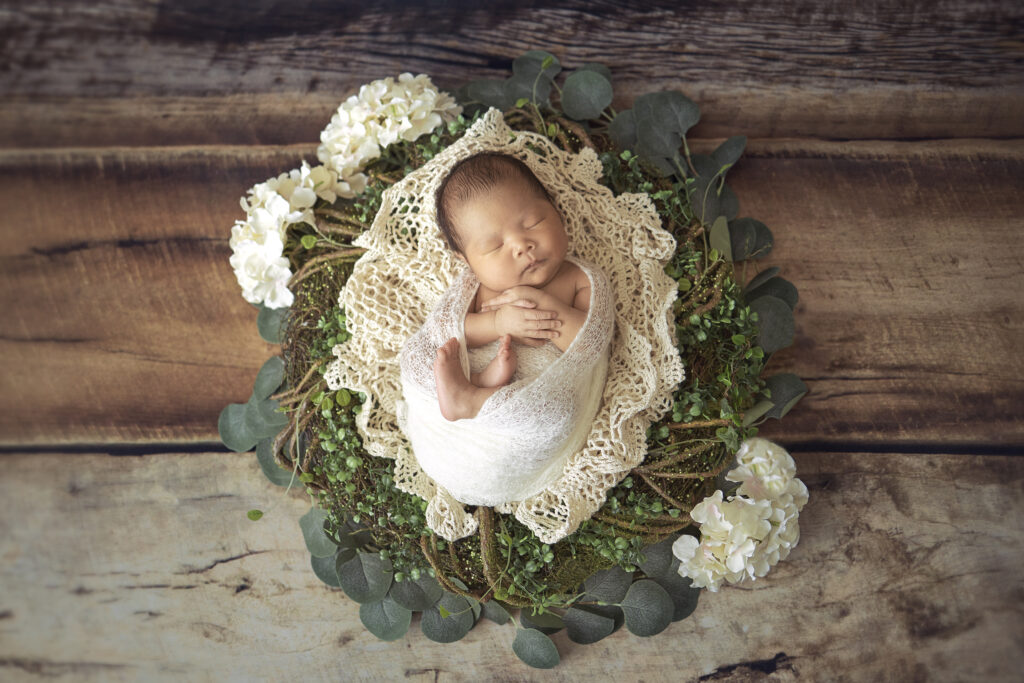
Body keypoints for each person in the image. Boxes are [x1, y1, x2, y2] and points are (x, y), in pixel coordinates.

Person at [430, 152, 594, 421]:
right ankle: (475, 386)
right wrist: (498, 323)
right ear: (467, 261)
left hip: (533, 410)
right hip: (453, 404)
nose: (521, 246)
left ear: (557, 212)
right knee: (422, 358)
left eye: (533, 223)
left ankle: (476, 398)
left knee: (560, 407)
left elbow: (590, 345)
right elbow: (445, 331)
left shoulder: (580, 279)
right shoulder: (475, 287)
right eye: (494, 246)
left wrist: (544, 309)